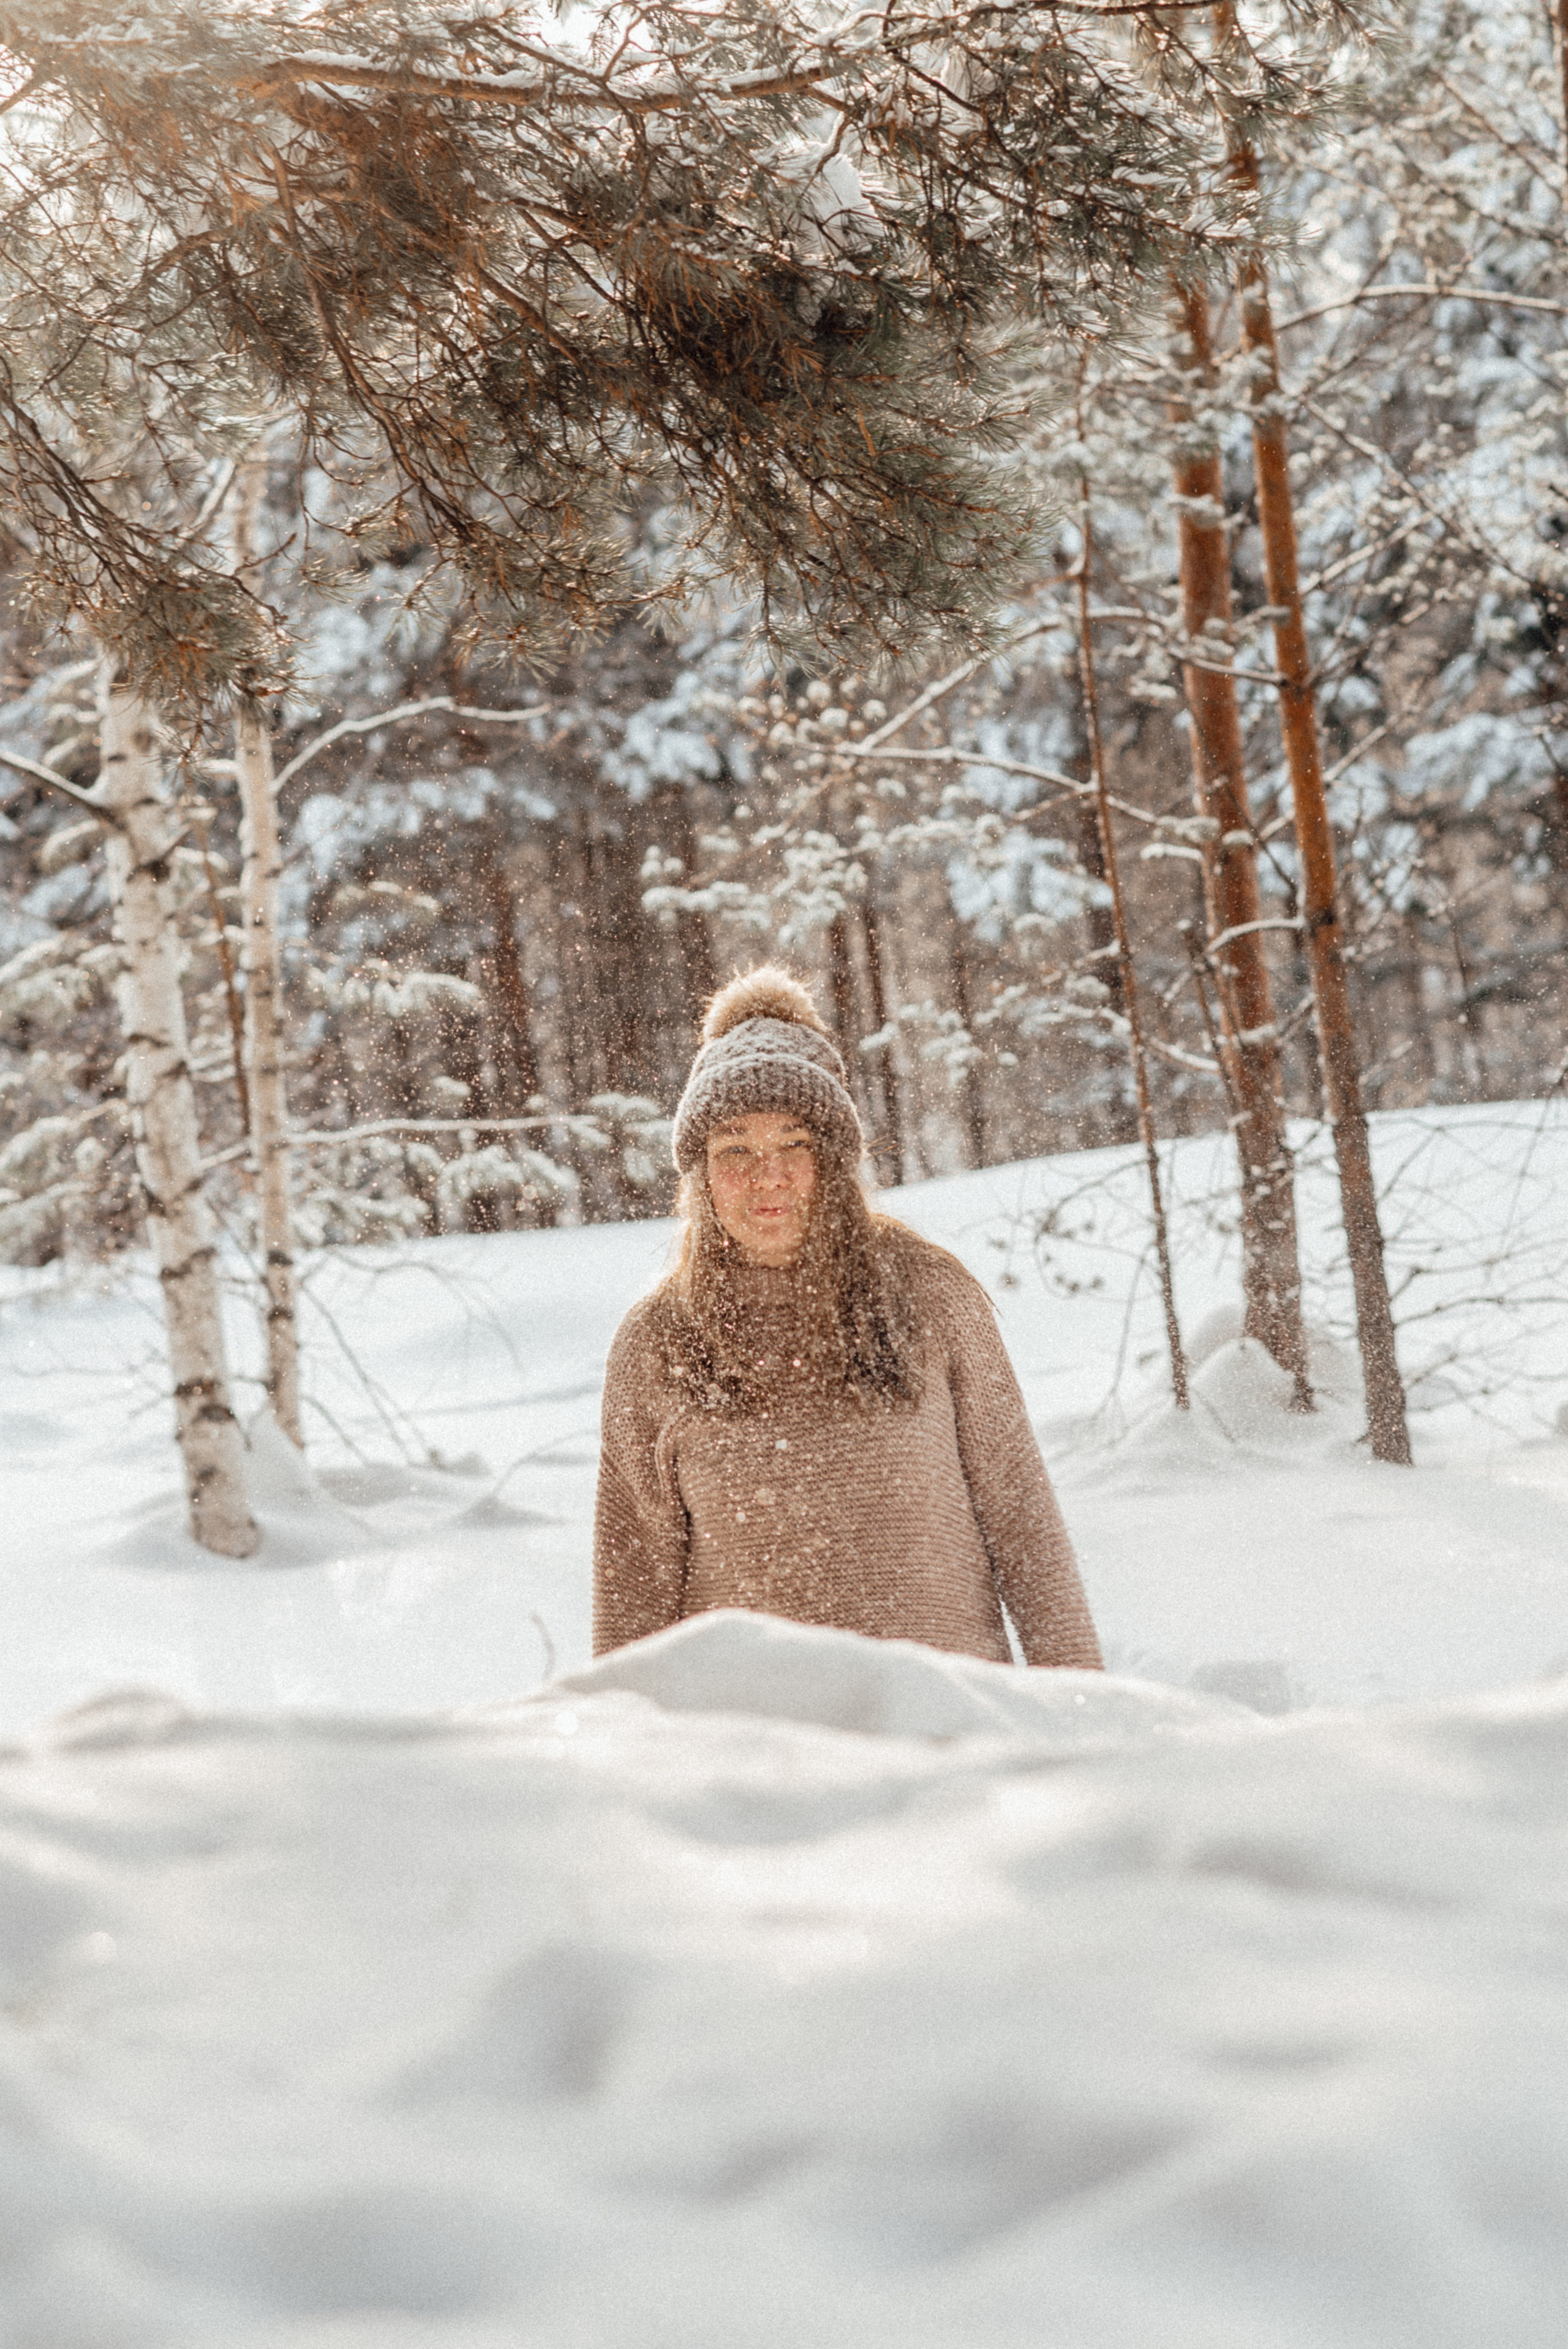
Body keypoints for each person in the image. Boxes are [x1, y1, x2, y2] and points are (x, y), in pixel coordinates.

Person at [592, 967, 1103, 1669]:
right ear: (700, 1174)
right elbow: (632, 1590)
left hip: (948, 1719)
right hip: (755, 1725)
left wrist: (1078, 1702)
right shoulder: (657, 1341)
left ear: (833, 1159)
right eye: (734, 1148)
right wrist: (627, 1730)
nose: (767, 1174)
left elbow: (1022, 1521)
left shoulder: (928, 1294)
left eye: (794, 1143)